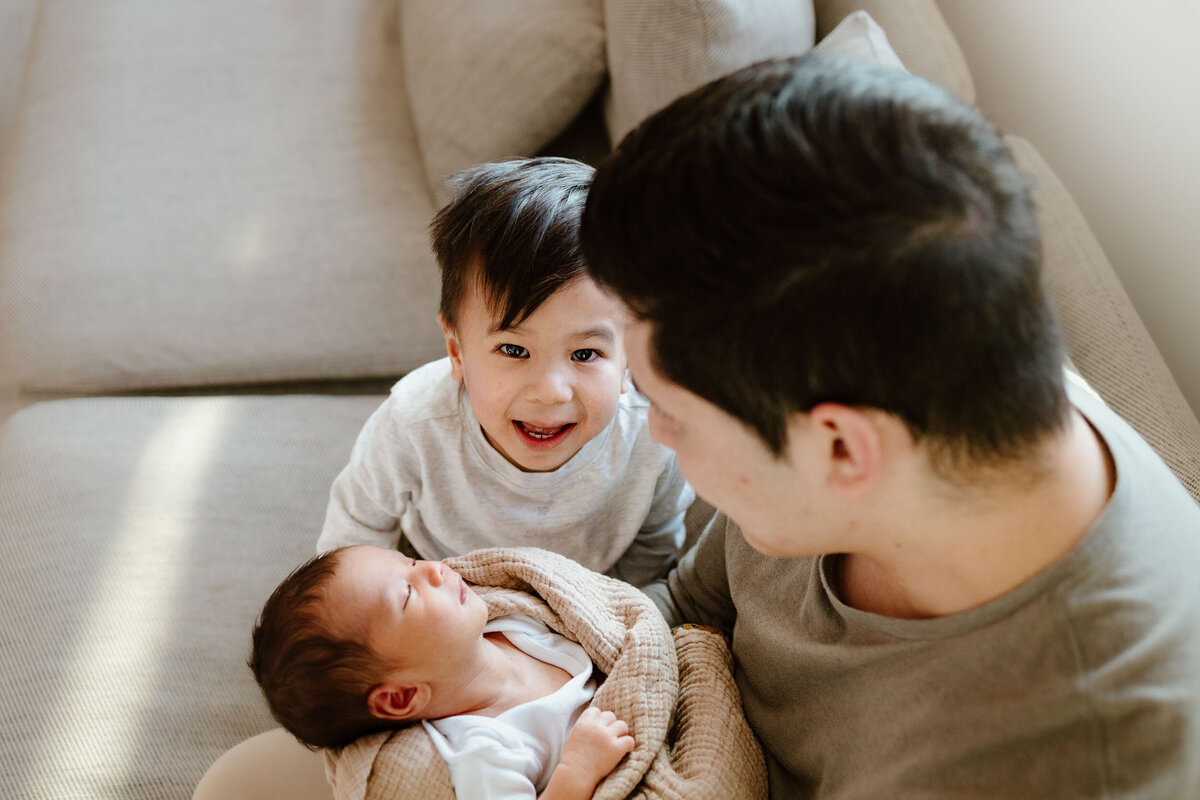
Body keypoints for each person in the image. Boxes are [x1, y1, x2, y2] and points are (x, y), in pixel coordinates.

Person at [579, 52, 1200, 798]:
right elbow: (688, 603)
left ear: (840, 447)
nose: (657, 436)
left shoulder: (1064, 761)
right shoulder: (916, 376)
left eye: (671, 413)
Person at [317, 157, 693, 588]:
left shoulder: (653, 434)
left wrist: (603, 614)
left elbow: (654, 545)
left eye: (586, 354)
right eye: (514, 349)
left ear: (629, 356)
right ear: (457, 351)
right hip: (443, 590)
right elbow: (355, 531)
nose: (550, 392)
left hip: (587, 596)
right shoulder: (414, 422)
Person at [250, 544, 635, 800]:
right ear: (401, 697)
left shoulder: (514, 623)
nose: (435, 569)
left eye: (410, 562)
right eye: (407, 594)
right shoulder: (484, 749)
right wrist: (577, 771)